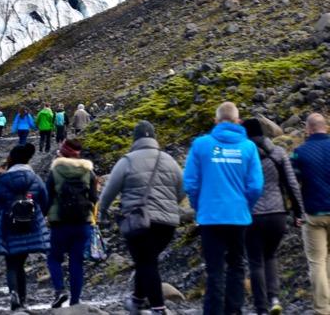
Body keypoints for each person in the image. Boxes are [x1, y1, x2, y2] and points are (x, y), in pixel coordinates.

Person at [184, 101, 264, 315]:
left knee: (214, 269)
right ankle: (234, 310)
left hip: (210, 217)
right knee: (237, 266)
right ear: (238, 121)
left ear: (216, 121)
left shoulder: (201, 145)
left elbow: (190, 182)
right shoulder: (248, 147)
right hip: (238, 217)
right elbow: (256, 185)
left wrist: (198, 205)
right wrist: (245, 205)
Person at [98, 120, 185, 315]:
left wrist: (102, 213)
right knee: (147, 260)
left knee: (147, 262)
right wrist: (170, 206)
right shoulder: (169, 160)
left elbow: (109, 191)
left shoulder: (127, 160)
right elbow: (182, 189)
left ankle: (158, 308)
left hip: (139, 222)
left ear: (135, 139)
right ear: (154, 137)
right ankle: (137, 300)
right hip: (167, 224)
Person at [242, 118, 306, 315]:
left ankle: (261, 307)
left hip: (252, 215)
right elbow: (292, 184)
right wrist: (299, 212)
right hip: (277, 214)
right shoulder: (278, 153)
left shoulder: (243, 156)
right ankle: (274, 299)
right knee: (270, 256)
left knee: (255, 261)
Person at [0, 143, 50, 312]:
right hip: (30, 225)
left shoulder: (4, 180)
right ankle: (23, 301)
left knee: (11, 264)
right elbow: (45, 200)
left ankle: (14, 295)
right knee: (21, 263)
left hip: (9, 224)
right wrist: (37, 215)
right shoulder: (34, 178)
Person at [45, 137, 99, 308]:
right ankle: (75, 302)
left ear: (62, 152)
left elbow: (47, 198)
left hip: (60, 223)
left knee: (54, 258)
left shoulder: (55, 171)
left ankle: (60, 290)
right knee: (76, 262)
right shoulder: (88, 172)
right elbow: (94, 198)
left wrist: (44, 216)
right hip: (83, 222)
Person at [292, 112, 330, 315]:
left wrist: (296, 212)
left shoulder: (299, 153)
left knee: (317, 261)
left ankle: (323, 309)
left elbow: (294, 185)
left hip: (313, 213)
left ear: (308, 129)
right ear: (325, 127)